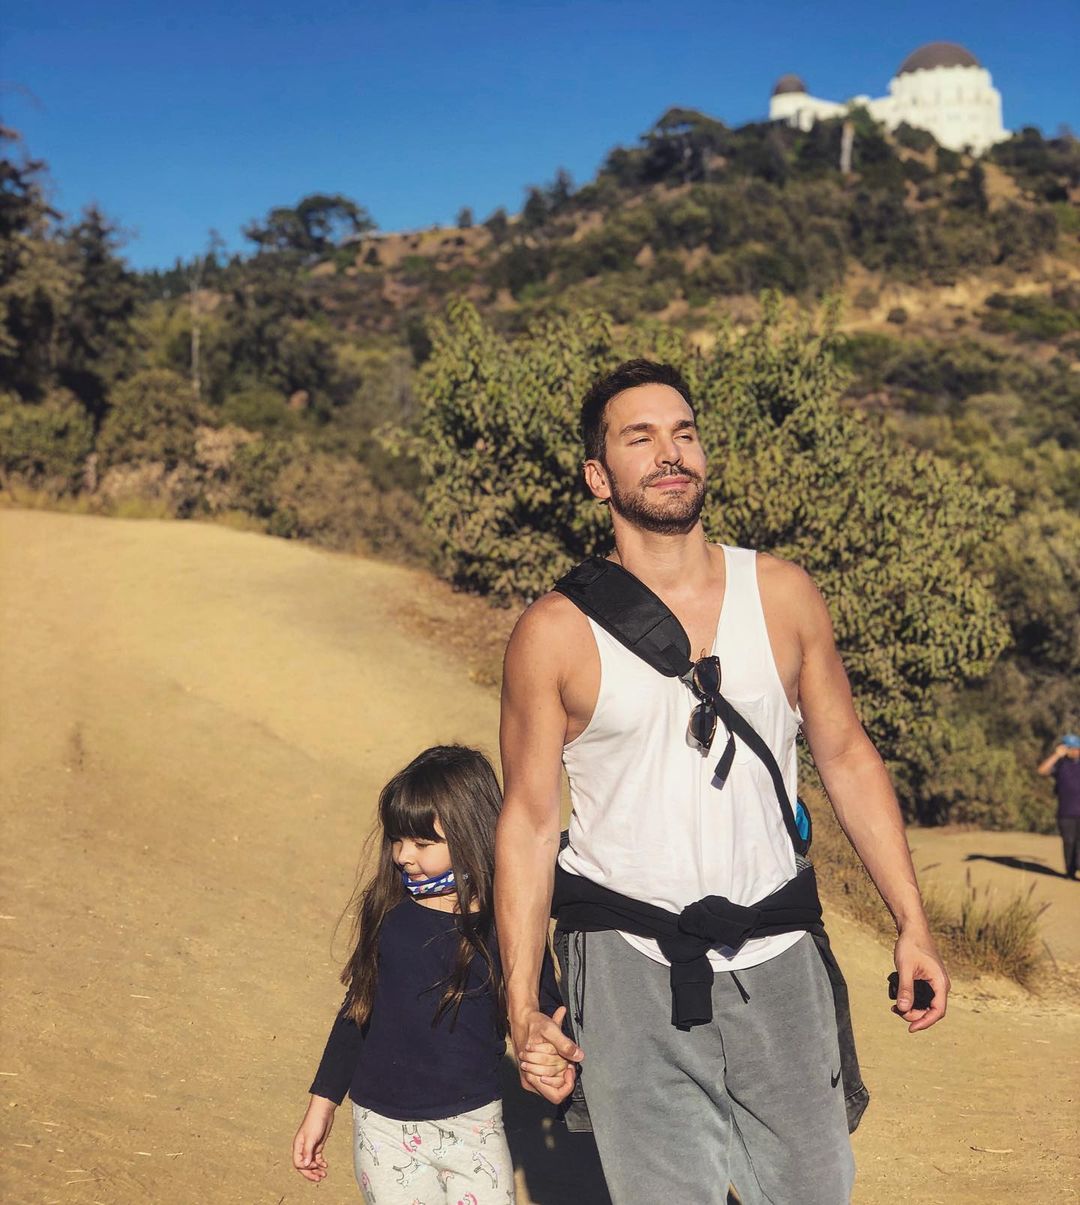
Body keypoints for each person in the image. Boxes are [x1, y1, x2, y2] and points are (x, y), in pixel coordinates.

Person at [495, 360, 950, 1205]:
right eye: (640, 438)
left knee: (814, 1191)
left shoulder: (782, 594)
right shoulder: (554, 632)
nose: (670, 453)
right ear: (598, 476)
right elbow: (526, 820)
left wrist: (911, 921)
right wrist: (523, 1001)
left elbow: (847, 755)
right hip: (626, 963)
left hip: (778, 951)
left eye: (684, 433)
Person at [292, 744, 567, 1203]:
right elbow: (356, 1011)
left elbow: (545, 1011)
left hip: (475, 1127)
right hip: (382, 1129)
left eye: (422, 843)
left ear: (471, 833)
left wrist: (553, 1059)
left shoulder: (511, 925)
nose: (403, 855)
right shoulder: (389, 913)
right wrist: (322, 1105)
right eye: (397, 839)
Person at [1037, 733, 1080, 879]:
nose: (1075, 751)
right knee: (1069, 843)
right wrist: (1056, 755)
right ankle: (1070, 873)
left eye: (1077, 748)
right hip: (1066, 812)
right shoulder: (1060, 764)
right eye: (1071, 748)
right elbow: (1042, 771)